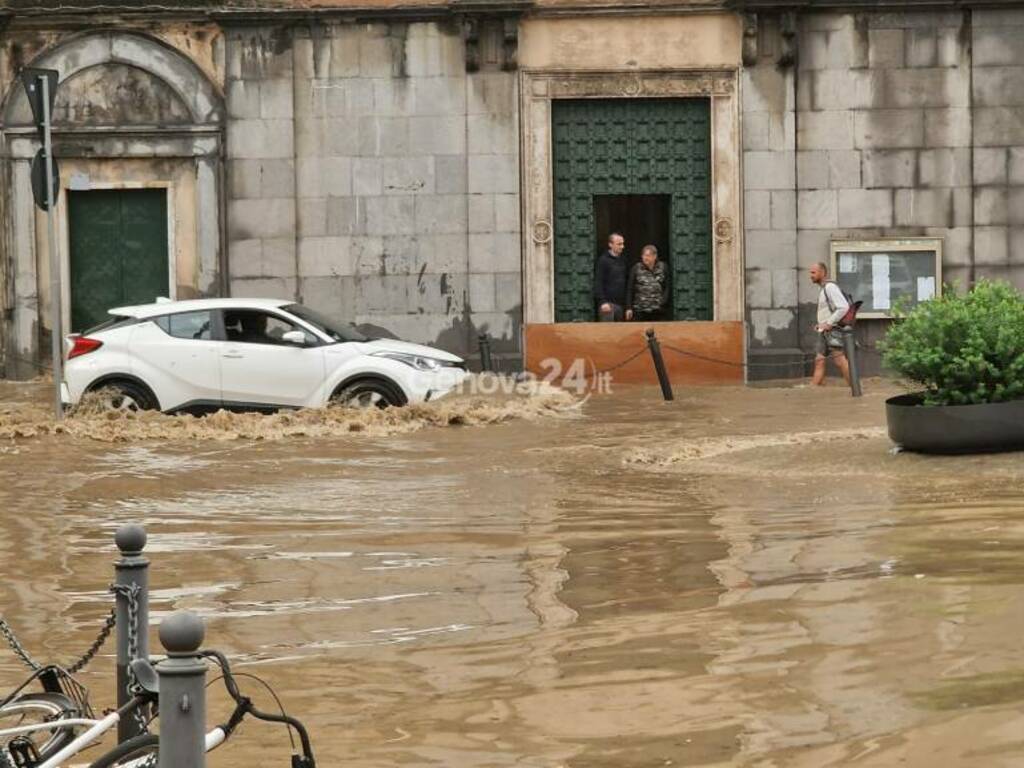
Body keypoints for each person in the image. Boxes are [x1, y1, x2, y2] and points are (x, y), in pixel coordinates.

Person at [809, 262, 851, 386]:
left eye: (813, 272)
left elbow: (844, 307)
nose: (810, 275)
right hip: (824, 332)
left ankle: (855, 388)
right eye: (810, 272)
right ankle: (813, 389)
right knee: (819, 360)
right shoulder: (822, 289)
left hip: (833, 330)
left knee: (840, 361)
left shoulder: (830, 287)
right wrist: (821, 324)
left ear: (822, 273)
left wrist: (828, 323)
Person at [626, 244, 670, 322]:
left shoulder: (663, 267)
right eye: (644, 255)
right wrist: (629, 307)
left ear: (654, 256)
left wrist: (663, 301)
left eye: (648, 255)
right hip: (640, 309)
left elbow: (667, 286)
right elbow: (630, 288)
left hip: (657, 310)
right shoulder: (636, 268)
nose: (645, 258)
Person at [593, 232, 628, 322]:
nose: (622, 246)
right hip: (607, 306)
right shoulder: (603, 260)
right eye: (619, 244)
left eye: (623, 244)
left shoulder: (623, 260)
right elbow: (598, 282)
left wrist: (628, 306)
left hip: (621, 306)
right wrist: (602, 302)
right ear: (610, 245)